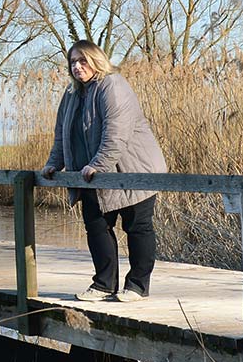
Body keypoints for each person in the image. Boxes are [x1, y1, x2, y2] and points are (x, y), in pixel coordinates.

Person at [40, 40, 168, 302]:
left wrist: (97, 165)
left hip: (133, 169)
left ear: (96, 60)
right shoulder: (72, 93)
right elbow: (63, 136)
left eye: (82, 61)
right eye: (73, 62)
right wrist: (54, 163)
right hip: (93, 174)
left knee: (137, 227)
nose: (77, 66)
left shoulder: (113, 86)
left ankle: (137, 286)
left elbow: (116, 134)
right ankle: (103, 284)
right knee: (96, 226)